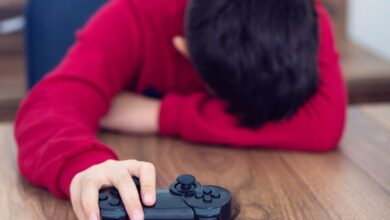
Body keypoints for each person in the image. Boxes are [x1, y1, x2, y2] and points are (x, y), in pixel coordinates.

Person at [14, 0, 346, 219]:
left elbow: (324, 122)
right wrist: (83, 164)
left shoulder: (298, 16)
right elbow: (47, 106)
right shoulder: (135, 15)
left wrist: (158, 115)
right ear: (183, 49)